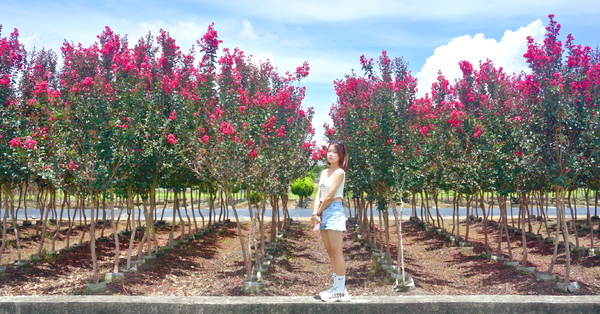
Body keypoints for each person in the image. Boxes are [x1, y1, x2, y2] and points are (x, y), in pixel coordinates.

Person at [311, 141, 350, 302]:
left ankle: (341, 289)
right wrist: (314, 213)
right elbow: (319, 194)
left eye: (334, 152)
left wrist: (318, 212)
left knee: (337, 252)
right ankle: (335, 286)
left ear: (340, 155)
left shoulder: (339, 172)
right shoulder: (324, 172)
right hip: (322, 211)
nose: (330, 154)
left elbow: (330, 196)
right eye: (329, 151)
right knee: (330, 252)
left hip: (333, 211)